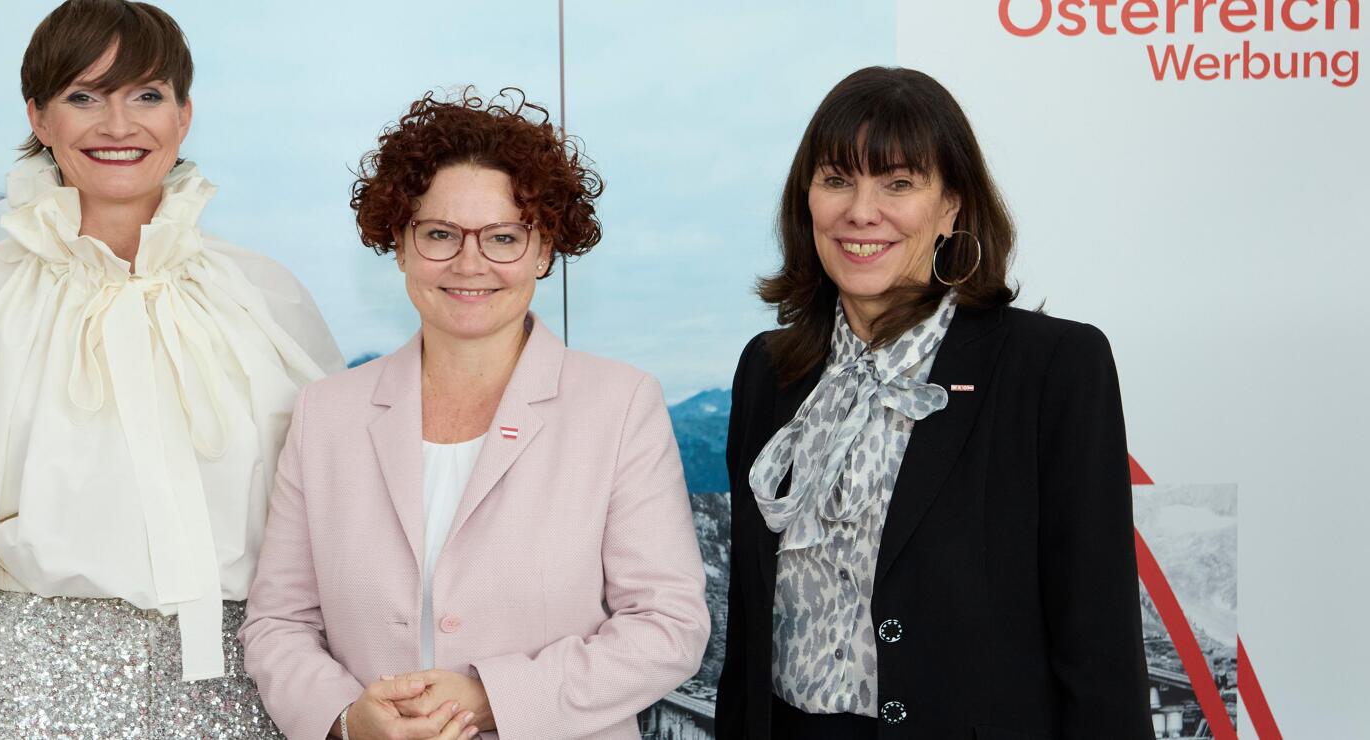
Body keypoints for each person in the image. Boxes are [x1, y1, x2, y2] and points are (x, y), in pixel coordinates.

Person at [0, 1, 344, 738]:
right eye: (83, 96)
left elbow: (340, 518)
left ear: (184, 115)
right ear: (39, 118)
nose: (118, 124)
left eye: (146, 94)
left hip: (246, 694)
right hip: (38, 695)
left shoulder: (265, 296)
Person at [240, 90, 710, 740]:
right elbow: (278, 624)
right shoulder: (327, 415)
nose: (470, 263)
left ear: (544, 250)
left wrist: (494, 699)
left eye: (502, 237)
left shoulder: (620, 405)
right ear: (399, 245)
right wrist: (348, 721)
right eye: (439, 234)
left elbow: (668, 625)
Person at [715, 67, 1153, 739]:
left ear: (950, 203)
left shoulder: (1053, 367)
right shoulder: (769, 371)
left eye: (898, 183)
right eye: (837, 180)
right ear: (806, 201)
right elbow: (749, 625)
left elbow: (1099, 644)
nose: (862, 211)